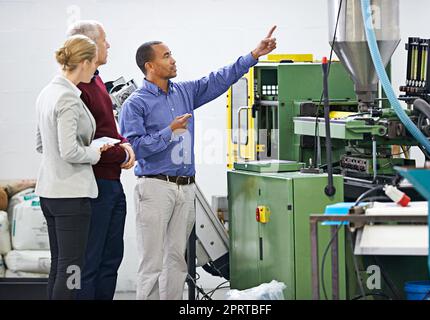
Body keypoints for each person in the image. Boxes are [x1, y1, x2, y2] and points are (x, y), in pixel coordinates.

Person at [119, 26, 277, 300]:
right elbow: (135, 149)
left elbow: (218, 79)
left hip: (186, 188)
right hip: (155, 188)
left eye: (172, 54)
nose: (173, 59)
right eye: (166, 55)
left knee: (176, 261)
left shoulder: (185, 92)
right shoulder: (135, 104)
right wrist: (169, 131)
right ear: (150, 65)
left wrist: (254, 55)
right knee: (152, 263)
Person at [35, 35, 111, 300]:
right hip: (70, 195)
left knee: (60, 268)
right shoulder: (68, 98)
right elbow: (69, 151)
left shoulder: (47, 92)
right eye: (94, 65)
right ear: (84, 62)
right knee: (72, 271)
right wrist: (96, 151)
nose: (95, 71)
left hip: (49, 192)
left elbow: (41, 144)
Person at [66, 20, 135, 300]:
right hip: (94, 187)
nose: (108, 45)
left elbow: (107, 131)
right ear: (90, 45)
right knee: (90, 263)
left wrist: (125, 144)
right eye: (104, 40)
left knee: (111, 260)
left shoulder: (97, 81)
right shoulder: (76, 89)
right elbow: (83, 144)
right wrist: (123, 153)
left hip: (112, 183)